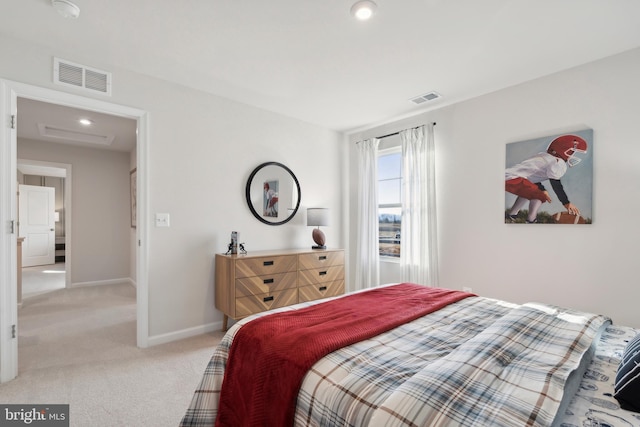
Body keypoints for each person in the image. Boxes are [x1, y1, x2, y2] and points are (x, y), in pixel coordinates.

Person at [505, 134, 587, 223]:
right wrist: (566, 203)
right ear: (563, 150)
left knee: (528, 192)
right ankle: (531, 220)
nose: (572, 155)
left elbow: (530, 175)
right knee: (539, 196)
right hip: (514, 179)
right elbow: (556, 185)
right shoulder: (556, 162)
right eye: (572, 152)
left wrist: (542, 188)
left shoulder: (542, 156)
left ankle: (511, 215)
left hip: (508, 177)